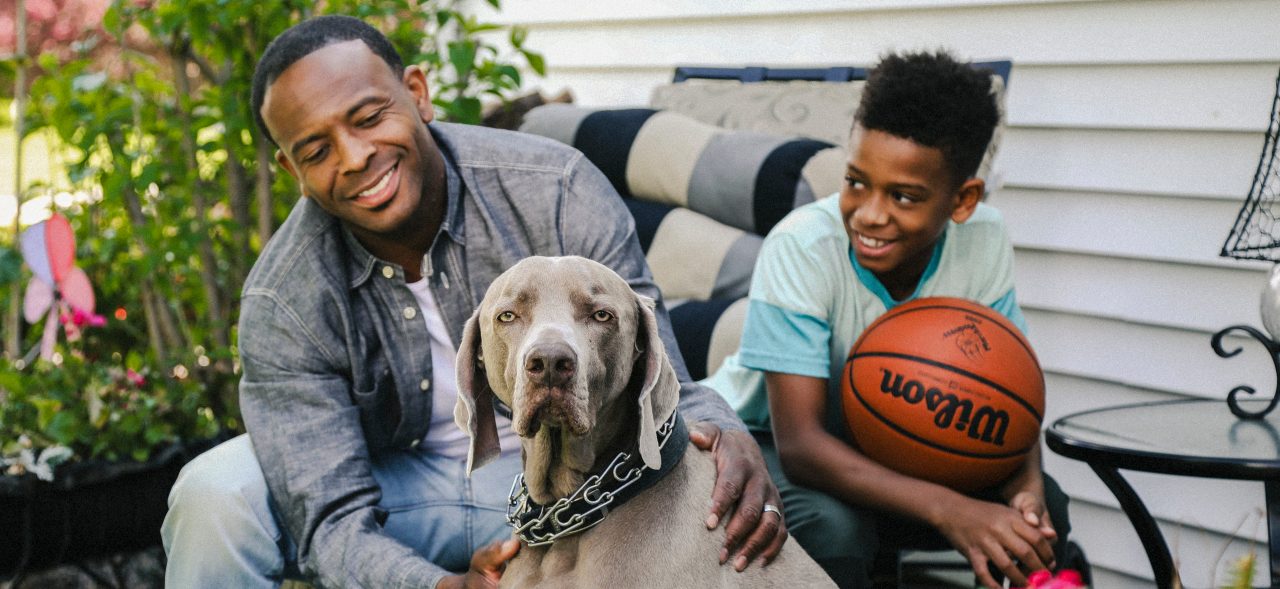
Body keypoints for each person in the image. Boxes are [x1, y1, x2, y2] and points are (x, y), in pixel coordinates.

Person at [160, 15, 785, 589]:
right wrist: (436, 586)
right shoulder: (284, 297)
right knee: (216, 492)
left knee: (729, 495)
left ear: (417, 93)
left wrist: (727, 431)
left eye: (370, 116)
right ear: (291, 168)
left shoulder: (555, 192)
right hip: (406, 496)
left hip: (580, 471)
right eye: (316, 151)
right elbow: (330, 520)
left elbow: (656, 367)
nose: (354, 158)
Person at [701, 50, 1071, 589]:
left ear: (963, 200)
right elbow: (802, 446)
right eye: (856, 182)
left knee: (1044, 513)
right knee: (835, 527)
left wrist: (1027, 493)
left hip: (897, 442)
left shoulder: (984, 239)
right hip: (769, 442)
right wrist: (951, 510)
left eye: (903, 195)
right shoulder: (804, 245)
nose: (870, 213)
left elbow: (1007, 395)